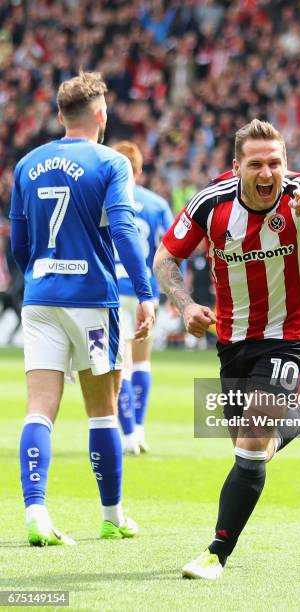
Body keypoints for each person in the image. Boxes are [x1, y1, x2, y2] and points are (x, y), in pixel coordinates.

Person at [154, 119, 300, 579]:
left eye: (276, 163)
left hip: (289, 335)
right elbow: (165, 258)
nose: (268, 174)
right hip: (233, 339)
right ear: (237, 167)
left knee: (249, 446)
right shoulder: (210, 204)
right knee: (255, 453)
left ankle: (214, 554)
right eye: (257, 165)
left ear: (286, 163)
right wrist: (185, 306)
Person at [9, 71, 155, 546]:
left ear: (58, 115)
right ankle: (111, 517)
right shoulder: (112, 163)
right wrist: (145, 290)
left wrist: (38, 273)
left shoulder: (27, 164)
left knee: (38, 410)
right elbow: (125, 232)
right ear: (101, 115)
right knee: (102, 413)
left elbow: (20, 241)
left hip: (40, 297)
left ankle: (36, 511)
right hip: (92, 299)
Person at [112, 140, 173, 455]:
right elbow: (174, 249)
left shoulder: (102, 201)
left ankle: (129, 434)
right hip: (146, 291)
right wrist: (178, 290)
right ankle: (139, 429)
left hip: (111, 292)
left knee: (120, 363)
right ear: (138, 170)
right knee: (142, 361)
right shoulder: (156, 204)